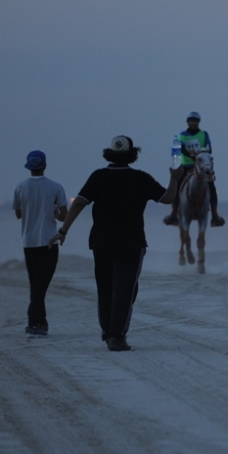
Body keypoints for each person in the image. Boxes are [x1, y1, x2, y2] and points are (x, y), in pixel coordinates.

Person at [49, 136, 181, 352]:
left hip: (101, 242)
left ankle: (108, 330)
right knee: (126, 290)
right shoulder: (140, 178)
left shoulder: (99, 176)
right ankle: (116, 336)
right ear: (133, 155)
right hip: (131, 242)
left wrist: (63, 231)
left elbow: (80, 202)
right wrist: (175, 178)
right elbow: (167, 198)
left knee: (106, 287)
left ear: (109, 154)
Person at [13, 150, 68, 337]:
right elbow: (64, 216)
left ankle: (39, 321)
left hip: (28, 242)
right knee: (41, 286)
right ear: (44, 166)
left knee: (35, 284)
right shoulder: (55, 187)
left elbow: (18, 214)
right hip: (49, 242)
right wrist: (52, 212)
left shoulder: (20, 187)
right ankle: (34, 323)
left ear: (29, 167)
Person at [164, 111, 225, 227]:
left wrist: (200, 156)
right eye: (191, 121)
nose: (193, 123)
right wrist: (192, 156)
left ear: (198, 122)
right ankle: (173, 213)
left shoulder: (204, 134)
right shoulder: (183, 135)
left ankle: (215, 214)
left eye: (195, 121)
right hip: (187, 165)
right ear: (188, 122)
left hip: (201, 167)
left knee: (211, 186)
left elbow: (209, 149)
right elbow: (181, 148)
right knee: (178, 184)